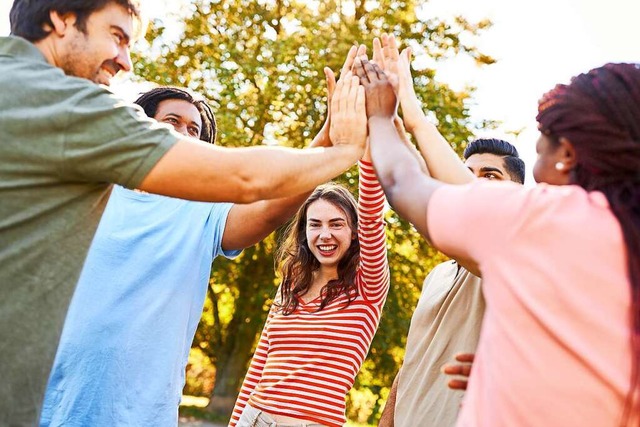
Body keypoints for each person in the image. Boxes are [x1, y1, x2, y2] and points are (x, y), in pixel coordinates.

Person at [0, 1, 366, 424]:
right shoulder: (76, 111)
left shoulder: (196, 212)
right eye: (117, 36)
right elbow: (246, 176)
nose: (125, 60)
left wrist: (322, 143)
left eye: (195, 132)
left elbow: (260, 206)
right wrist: (346, 149)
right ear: (61, 19)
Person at [357, 35, 640, 426]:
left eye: (543, 138)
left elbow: (402, 181)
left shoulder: (543, 221)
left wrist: (382, 117)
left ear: (568, 155)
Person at [38, 85, 336, 426]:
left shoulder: (204, 211)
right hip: (48, 401)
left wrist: (326, 143)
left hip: (140, 415)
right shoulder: (88, 190)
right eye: (172, 121)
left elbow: (269, 211)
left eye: (194, 130)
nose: (184, 134)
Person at [229, 147, 389, 427]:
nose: (324, 234)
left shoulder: (367, 287)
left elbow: (373, 216)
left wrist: (364, 148)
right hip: (253, 418)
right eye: (315, 224)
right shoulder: (293, 281)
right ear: (304, 231)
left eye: (336, 224)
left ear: (354, 232)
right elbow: (260, 365)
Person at [378, 137, 525, 427]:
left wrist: (404, 124)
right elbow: (413, 361)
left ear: (518, 192)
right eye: (466, 174)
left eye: (490, 176)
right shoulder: (437, 275)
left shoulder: (511, 257)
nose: (473, 185)